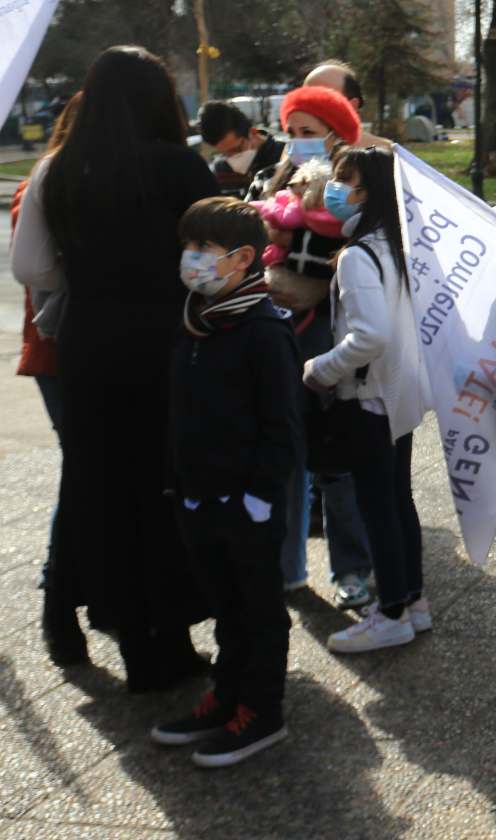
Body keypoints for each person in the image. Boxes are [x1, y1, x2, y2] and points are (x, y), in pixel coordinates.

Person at [11, 45, 218, 691]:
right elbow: (220, 261)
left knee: (103, 490)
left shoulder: (57, 170)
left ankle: (125, 635)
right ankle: (173, 637)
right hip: (169, 346)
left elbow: (33, 269)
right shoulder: (180, 167)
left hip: (90, 349)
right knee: (166, 490)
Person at [152, 197, 301, 767]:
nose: (191, 259)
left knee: (258, 608)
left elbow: (282, 428)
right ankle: (226, 693)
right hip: (197, 494)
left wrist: (259, 496)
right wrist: (180, 481)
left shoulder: (263, 330)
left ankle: (261, 711)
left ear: (242, 259)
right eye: (187, 247)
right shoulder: (196, 319)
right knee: (225, 604)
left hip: (246, 502)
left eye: (204, 250)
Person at [248, 85, 377, 609]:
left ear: (338, 135)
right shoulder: (267, 180)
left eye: (310, 133)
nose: (298, 142)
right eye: (292, 131)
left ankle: (352, 569)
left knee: (336, 458)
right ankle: (286, 566)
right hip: (275, 330)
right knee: (283, 453)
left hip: (330, 330)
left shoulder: (353, 187)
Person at [313, 147, 432, 653]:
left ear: (372, 192)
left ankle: (390, 613)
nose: (335, 188)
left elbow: (370, 336)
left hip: (367, 399)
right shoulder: (399, 245)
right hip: (398, 396)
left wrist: (318, 369)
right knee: (396, 502)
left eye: (347, 179)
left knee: (377, 506)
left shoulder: (360, 255)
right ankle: (413, 600)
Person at [11, 93, 84, 667]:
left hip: (53, 350)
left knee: (84, 469)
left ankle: (64, 589)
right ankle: (59, 589)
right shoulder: (55, 177)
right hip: (61, 350)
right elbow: (33, 267)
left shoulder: (48, 176)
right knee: (84, 471)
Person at [197, 101, 283, 195]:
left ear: (253, 133)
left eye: (236, 149)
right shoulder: (220, 171)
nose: (231, 159)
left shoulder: (284, 157)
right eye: (224, 154)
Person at [303, 60, 391, 149]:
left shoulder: (390, 157)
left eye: (323, 101)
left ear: (351, 107)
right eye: (305, 101)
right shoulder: (294, 155)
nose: (311, 111)